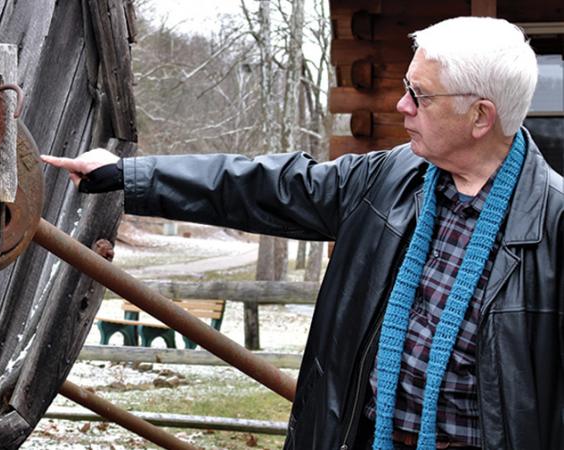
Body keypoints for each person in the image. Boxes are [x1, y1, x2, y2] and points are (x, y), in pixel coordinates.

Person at [42, 17, 562, 450]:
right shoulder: (387, 180)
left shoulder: (554, 226)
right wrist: (131, 175)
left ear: (480, 117)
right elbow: (261, 186)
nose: (401, 106)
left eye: (419, 95)